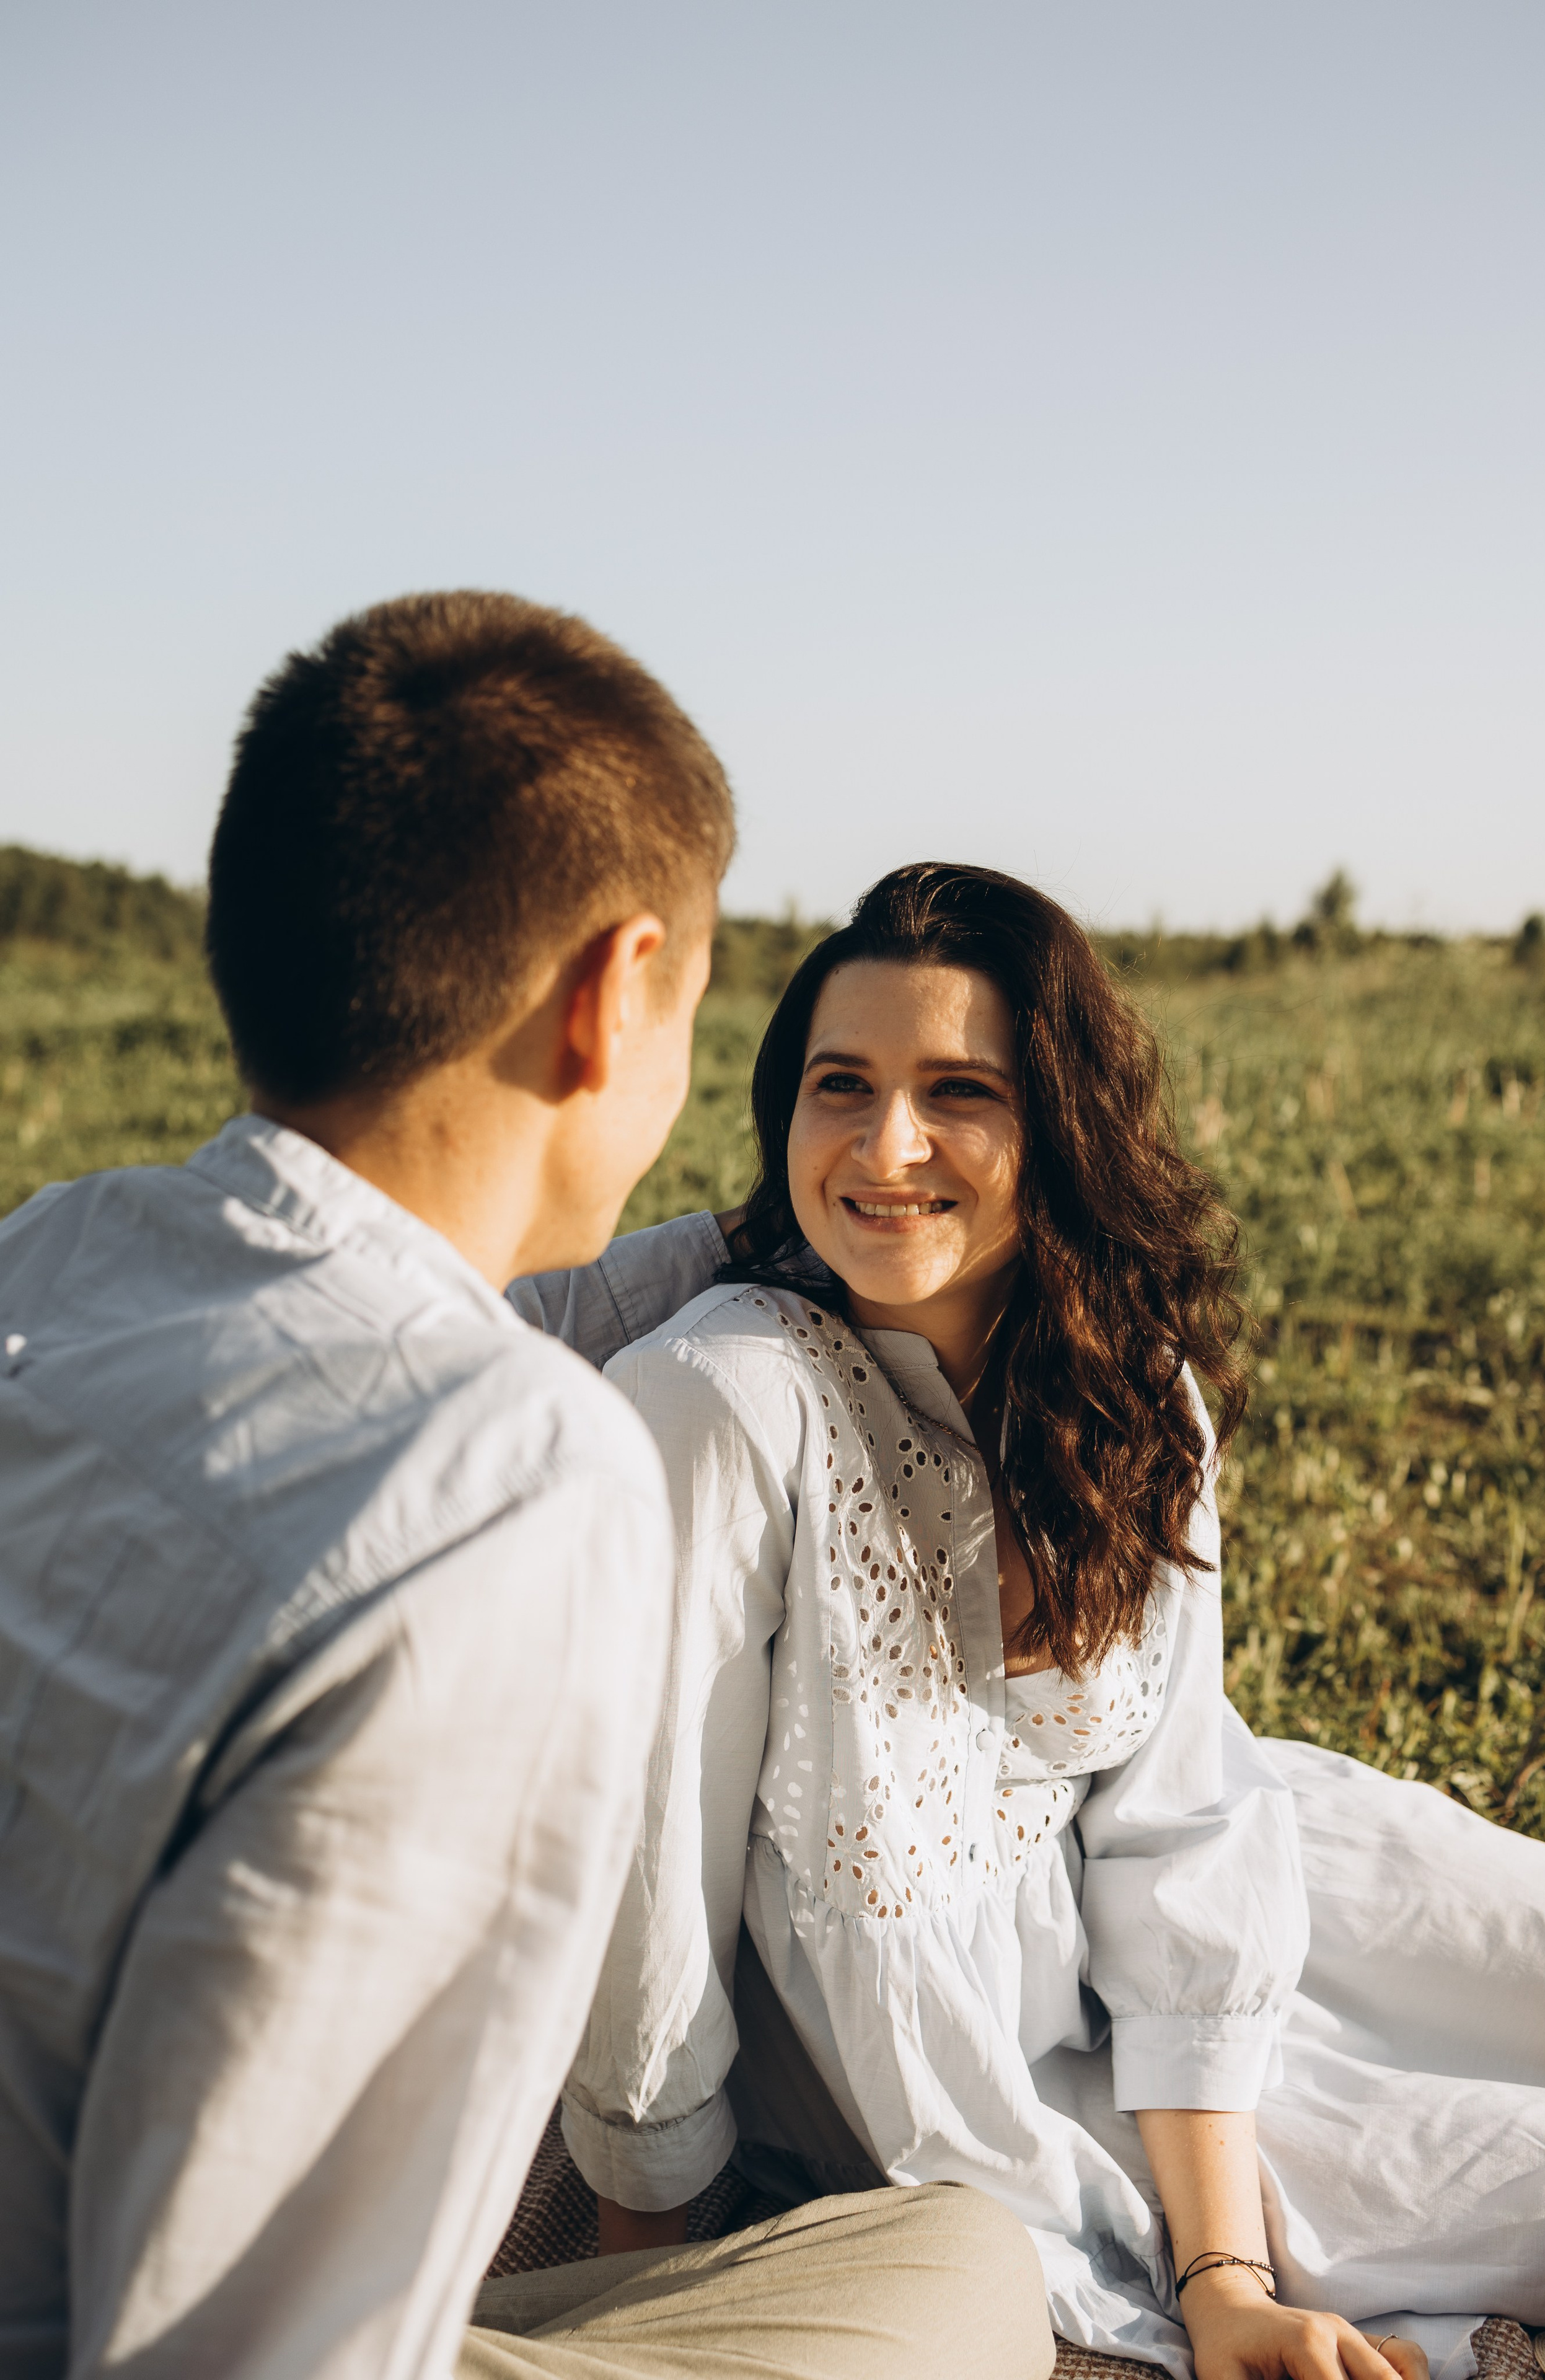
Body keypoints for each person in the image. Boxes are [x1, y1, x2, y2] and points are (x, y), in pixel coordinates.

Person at [0, 604, 1052, 2380]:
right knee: (966, 2271)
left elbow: (505, 1296)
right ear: (614, 992)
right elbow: (262, 2333)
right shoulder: (511, 1486)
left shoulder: (58, 1255)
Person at [518, 861, 1545, 2380]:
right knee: (1542, 2192)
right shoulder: (721, 1395)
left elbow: (1177, 1824)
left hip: (1228, 1871)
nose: (888, 1147)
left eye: (960, 1089)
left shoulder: (1130, 1390)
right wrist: (650, 2272)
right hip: (972, 2063)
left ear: (1059, 1123)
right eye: (842, 1086)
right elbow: (650, 1883)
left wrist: (1224, 2268)